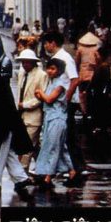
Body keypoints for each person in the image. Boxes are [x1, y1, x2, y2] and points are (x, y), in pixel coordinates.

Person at [0, 57, 33, 196]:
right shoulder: (1, 84)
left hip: (3, 128)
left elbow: (4, 109)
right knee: (9, 155)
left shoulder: (1, 85)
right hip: (5, 127)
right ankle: (21, 178)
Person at [42, 31, 83, 175]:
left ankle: (77, 168)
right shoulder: (57, 58)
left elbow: (75, 80)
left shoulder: (65, 58)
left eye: (46, 43)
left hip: (66, 103)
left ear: (53, 43)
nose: (45, 46)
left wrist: (66, 98)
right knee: (63, 137)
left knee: (68, 136)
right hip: (59, 103)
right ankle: (68, 168)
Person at [34, 58, 78, 189]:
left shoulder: (60, 84)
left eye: (53, 69)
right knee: (60, 147)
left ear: (59, 70)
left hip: (57, 119)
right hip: (50, 118)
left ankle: (48, 176)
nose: (49, 71)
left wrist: (40, 93)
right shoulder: (51, 82)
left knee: (52, 147)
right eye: (48, 68)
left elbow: (49, 99)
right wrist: (40, 94)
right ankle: (72, 172)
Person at [15, 49, 48, 172]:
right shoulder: (22, 74)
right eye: (23, 62)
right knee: (31, 146)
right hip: (21, 115)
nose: (25, 65)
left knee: (27, 146)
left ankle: (23, 170)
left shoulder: (41, 75)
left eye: (27, 62)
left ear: (34, 62)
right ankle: (43, 169)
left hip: (33, 116)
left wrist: (25, 105)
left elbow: (40, 97)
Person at [75, 31, 101, 117]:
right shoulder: (96, 49)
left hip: (83, 73)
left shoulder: (80, 49)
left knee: (82, 92)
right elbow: (99, 60)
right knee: (91, 92)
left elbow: (77, 61)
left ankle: (84, 110)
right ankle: (92, 109)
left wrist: (77, 71)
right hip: (93, 74)